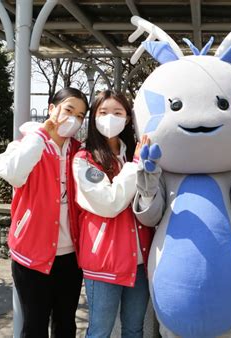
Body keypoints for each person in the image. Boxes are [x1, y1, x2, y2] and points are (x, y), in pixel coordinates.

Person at [0, 87, 89, 337]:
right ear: (51, 109)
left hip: (70, 255)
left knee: (65, 324)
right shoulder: (26, 145)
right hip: (31, 254)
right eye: (68, 110)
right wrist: (40, 135)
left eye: (80, 116)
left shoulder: (80, 152)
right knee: (34, 326)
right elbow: (14, 173)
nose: (73, 119)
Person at [72, 90, 154, 338]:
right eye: (103, 112)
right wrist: (135, 165)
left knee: (134, 328)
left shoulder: (133, 154)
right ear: (94, 117)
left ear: (128, 118)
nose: (110, 118)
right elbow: (109, 202)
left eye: (118, 113)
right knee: (100, 330)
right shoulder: (85, 159)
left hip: (140, 259)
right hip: (104, 260)